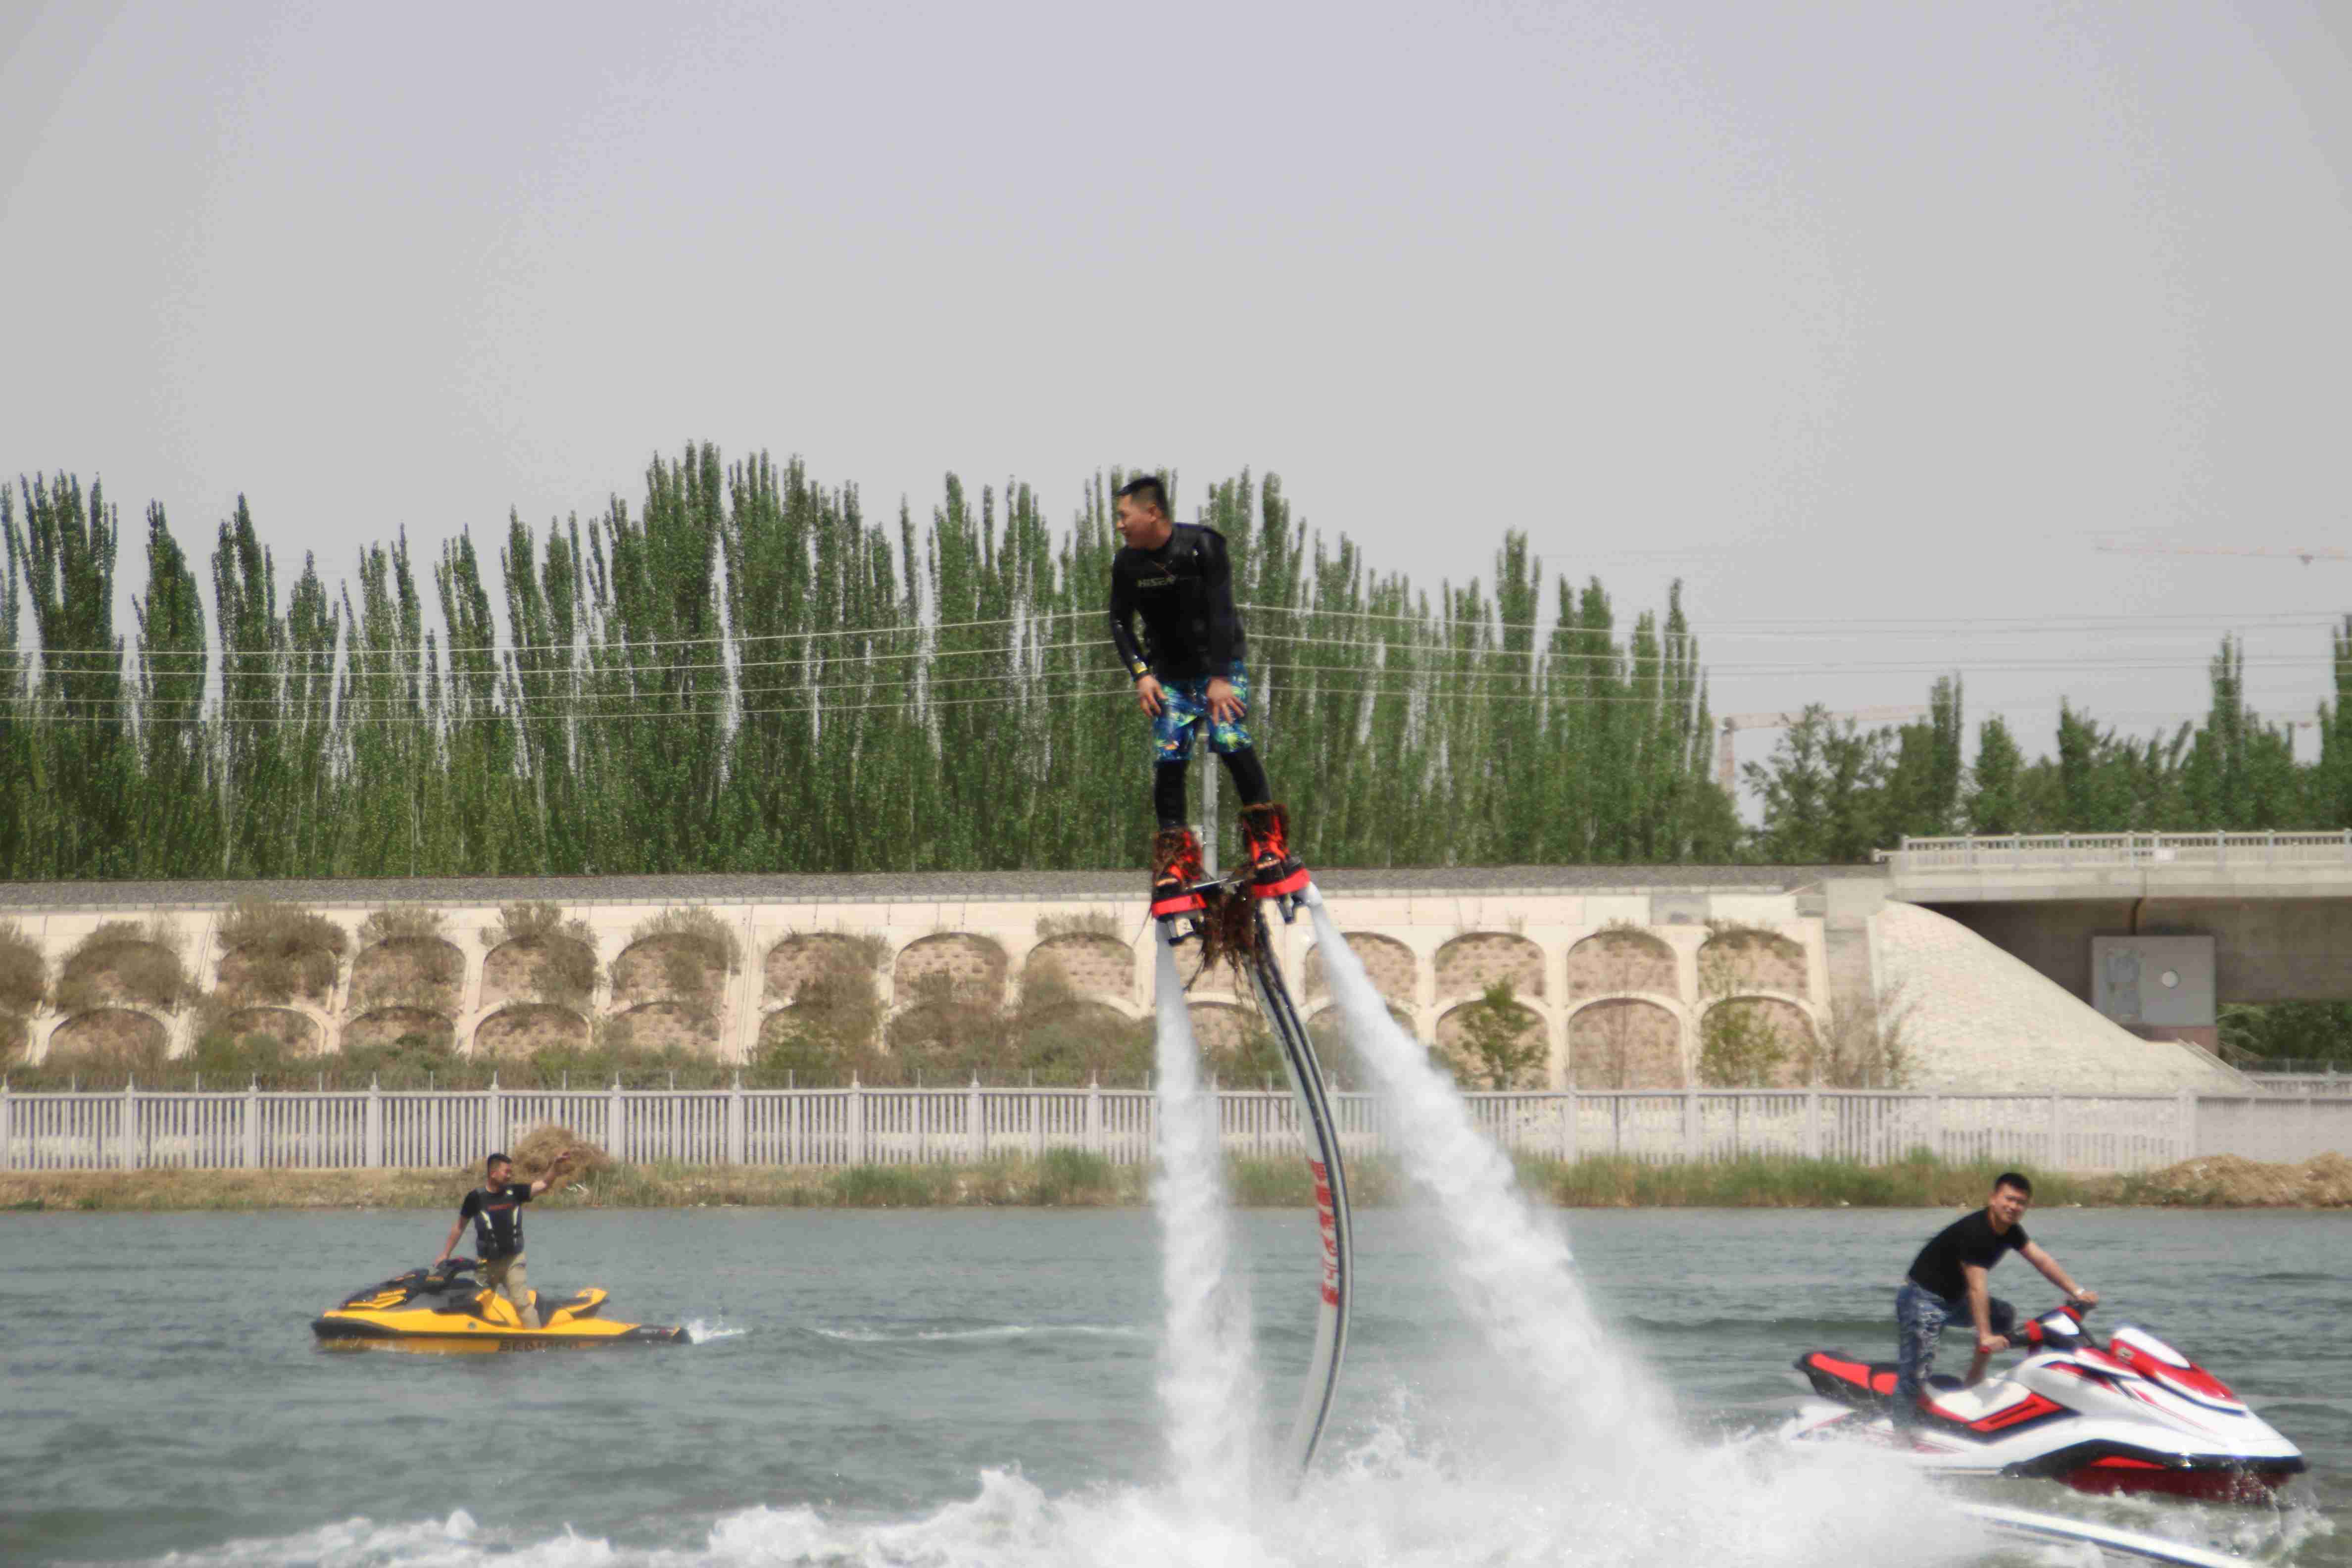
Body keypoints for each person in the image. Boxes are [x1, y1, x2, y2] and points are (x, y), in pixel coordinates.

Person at [1105, 473, 1307, 918]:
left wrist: (1219, 677)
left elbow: (1222, 612)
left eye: (1123, 516)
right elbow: (1119, 621)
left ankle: (1267, 844)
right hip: (1168, 678)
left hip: (1220, 670)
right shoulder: (1127, 564)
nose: (1119, 525)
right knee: (1169, 758)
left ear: (1152, 512)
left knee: (1231, 741)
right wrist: (1141, 675)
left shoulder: (1202, 547)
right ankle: (1175, 862)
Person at [1891, 1171, 2098, 1431]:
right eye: (2009, 1199)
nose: (2014, 1206)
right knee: (1916, 1373)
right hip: (1922, 1300)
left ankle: (1974, 1379)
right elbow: (1977, 1288)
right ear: (1993, 1199)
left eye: (2021, 1202)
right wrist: (1985, 1336)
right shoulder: (1975, 1232)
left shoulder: (2011, 1230)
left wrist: (2077, 1292)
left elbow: (2042, 1261)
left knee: (2003, 1315)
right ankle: (1900, 1434)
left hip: (1954, 1300)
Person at [435, 1148, 575, 1329]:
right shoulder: (475, 1198)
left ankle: (536, 1339)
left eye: (510, 1172)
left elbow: (544, 1185)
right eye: (506, 1172)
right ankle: (477, 1338)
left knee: (521, 1303)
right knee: (475, 1303)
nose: (510, 1176)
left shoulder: (515, 1193)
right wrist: (445, 1254)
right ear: (493, 1173)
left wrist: (555, 1166)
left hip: (513, 1261)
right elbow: (459, 1227)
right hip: (486, 1264)